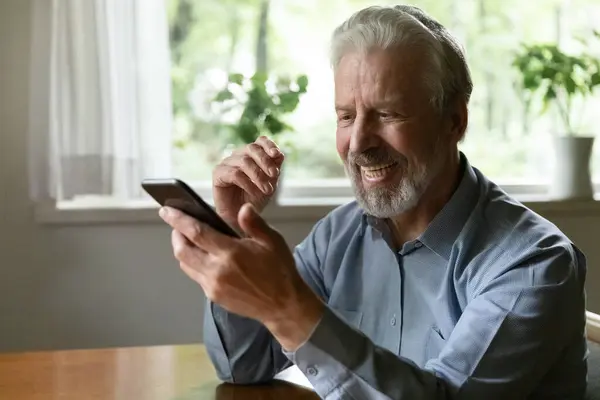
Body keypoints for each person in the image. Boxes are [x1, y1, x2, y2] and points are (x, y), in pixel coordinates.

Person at [159, 5, 588, 399]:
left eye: (388, 114)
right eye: (346, 116)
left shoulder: (532, 266)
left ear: (454, 120)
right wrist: (233, 229)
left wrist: (289, 308)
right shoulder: (339, 236)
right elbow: (243, 366)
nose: (359, 143)